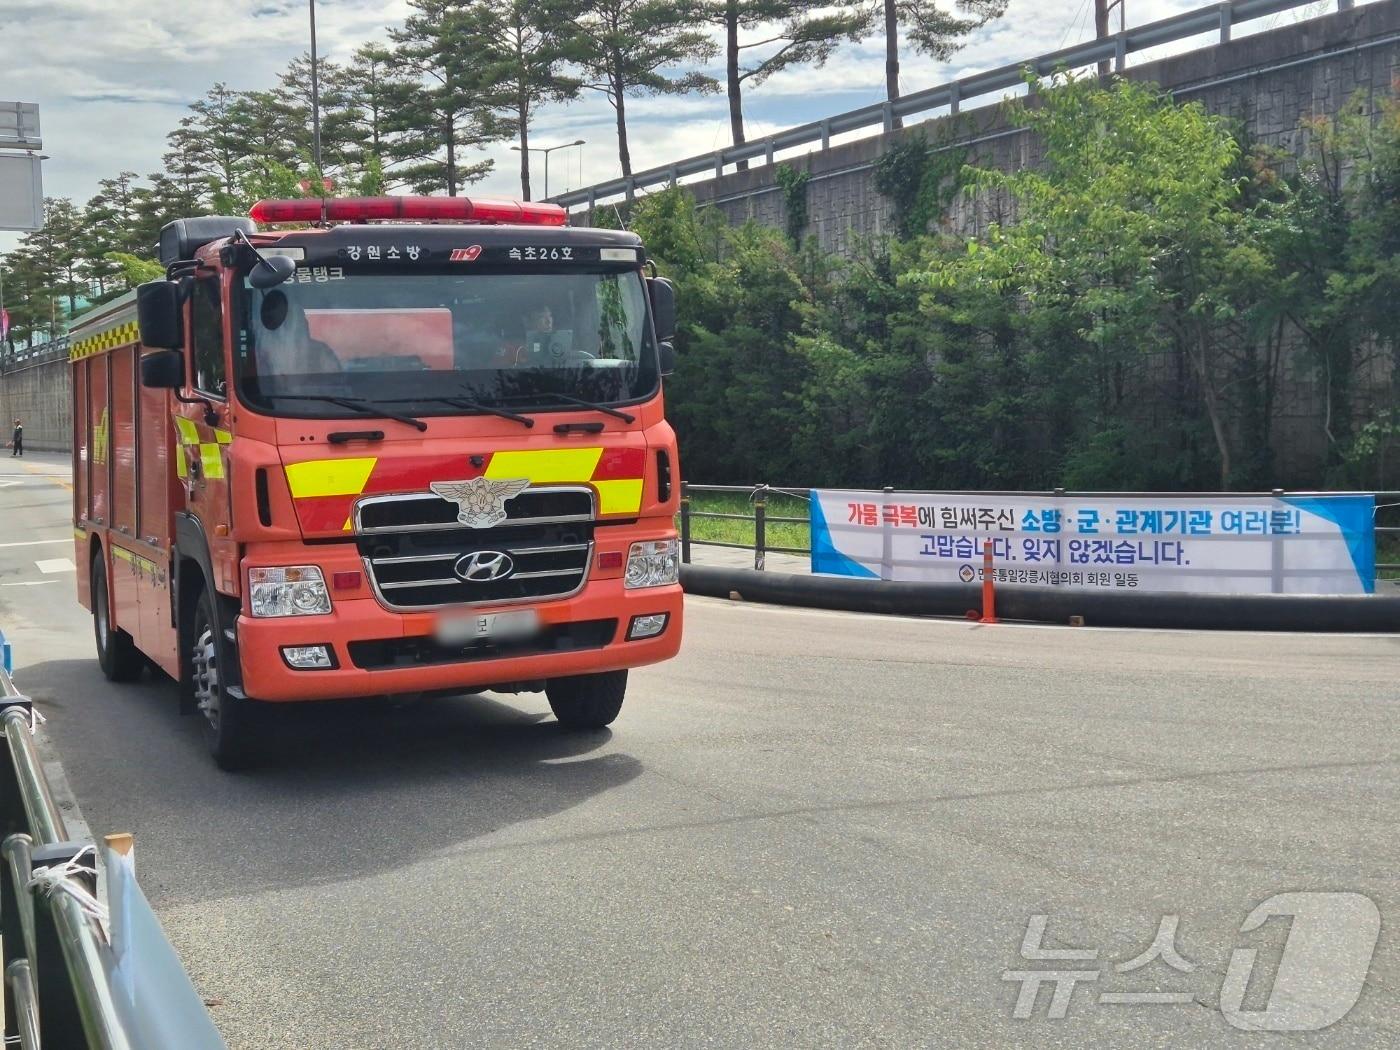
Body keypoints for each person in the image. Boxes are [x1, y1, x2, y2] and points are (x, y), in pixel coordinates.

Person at [251, 290, 342, 379]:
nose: (294, 328)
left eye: (298, 320)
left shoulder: (321, 352)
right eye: (288, 323)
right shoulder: (262, 354)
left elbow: (336, 383)